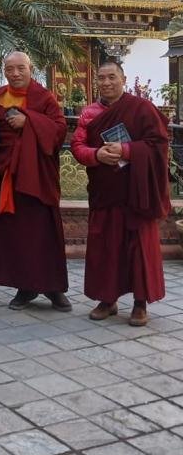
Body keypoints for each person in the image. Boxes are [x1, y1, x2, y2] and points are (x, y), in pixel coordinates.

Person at [70, 59, 170, 327]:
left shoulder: (141, 108)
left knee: (139, 247)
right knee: (105, 246)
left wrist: (127, 151)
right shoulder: (89, 113)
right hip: (105, 190)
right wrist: (96, 154)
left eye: (112, 77)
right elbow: (77, 146)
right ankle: (107, 299)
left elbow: (159, 144)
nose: (106, 83)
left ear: (123, 79)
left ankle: (140, 303)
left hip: (137, 192)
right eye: (101, 78)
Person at [0, 50, 71, 312]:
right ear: (4, 71)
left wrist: (29, 121)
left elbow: (59, 130)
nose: (15, 73)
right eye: (10, 69)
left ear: (30, 68)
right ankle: (25, 287)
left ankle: (53, 288)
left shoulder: (44, 98)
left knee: (44, 233)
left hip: (36, 178)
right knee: (17, 235)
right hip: (7, 175)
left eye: (20, 68)